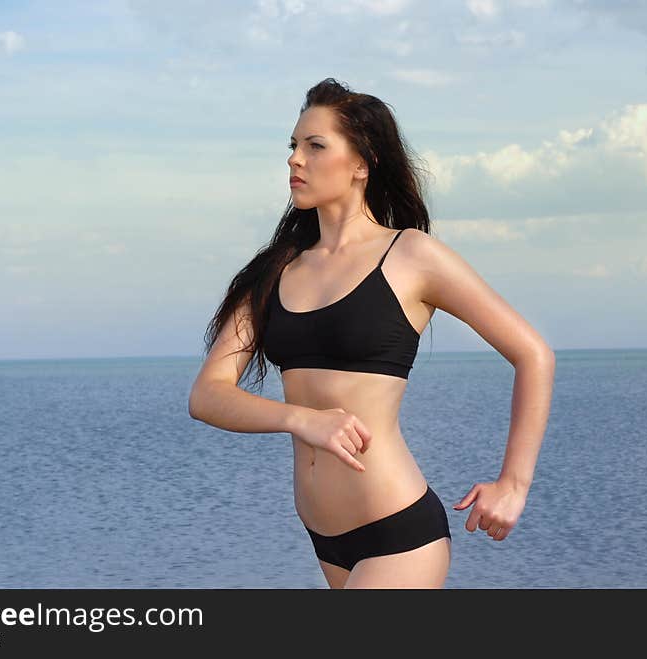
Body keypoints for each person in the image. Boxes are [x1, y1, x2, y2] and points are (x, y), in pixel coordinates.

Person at [188, 78, 555, 589]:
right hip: (327, 540)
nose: (296, 159)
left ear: (361, 163)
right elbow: (207, 396)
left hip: (398, 533)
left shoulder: (411, 256)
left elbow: (532, 354)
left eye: (315, 146)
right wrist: (302, 420)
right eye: (293, 146)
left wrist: (513, 484)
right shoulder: (275, 271)